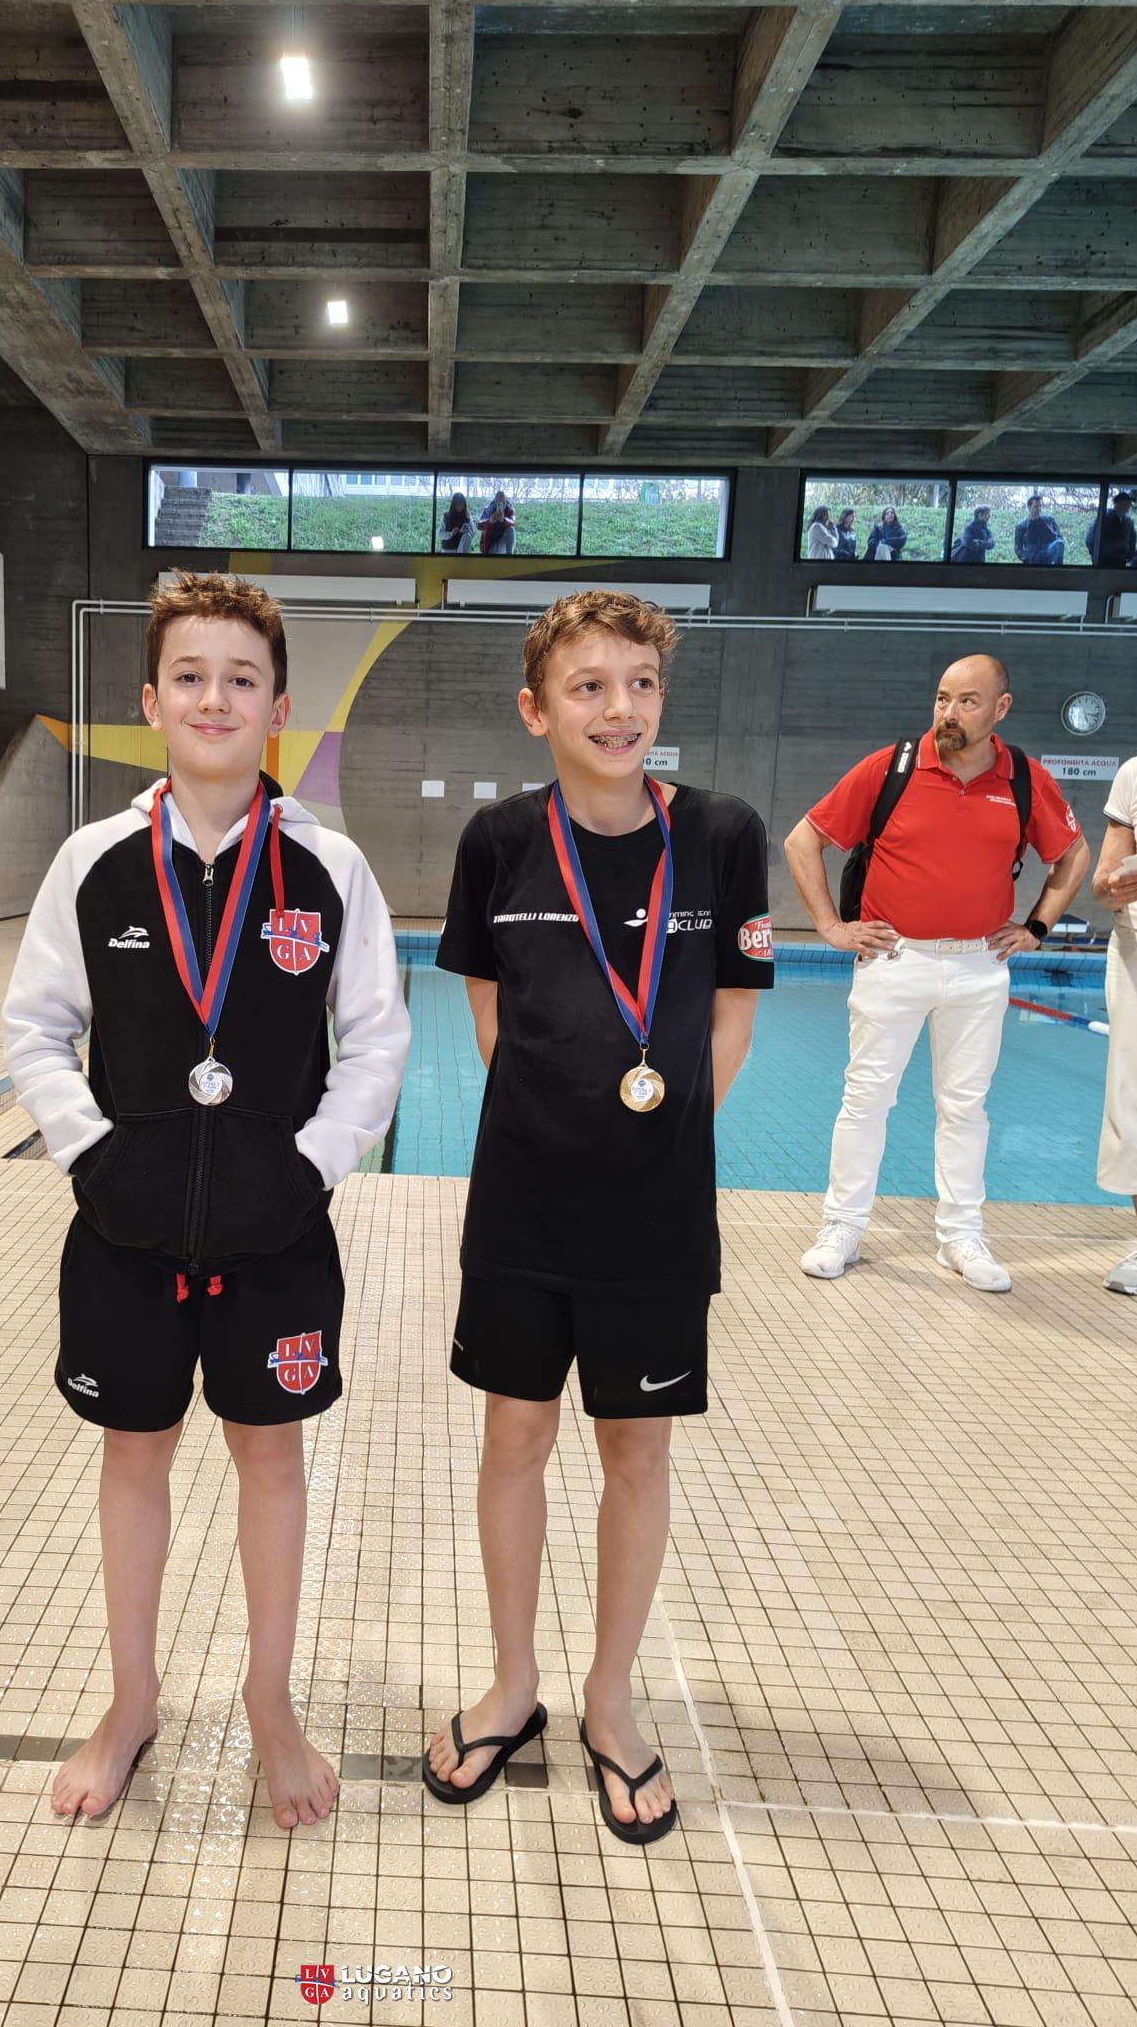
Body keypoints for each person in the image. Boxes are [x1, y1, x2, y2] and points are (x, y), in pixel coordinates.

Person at [2, 570, 410, 1829]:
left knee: (270, 1455)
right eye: (190, 676)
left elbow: (377, 1042)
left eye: (242, 678)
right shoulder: (95, 862)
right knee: (135, 1453)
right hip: (124, 1233)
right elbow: (35, 1027)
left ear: (279, 707)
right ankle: (131, 1701)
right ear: (151, 700)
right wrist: (91, 1154)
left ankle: (268, 1702)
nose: (215, 698)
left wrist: (309, 1168)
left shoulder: (329, 866)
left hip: (275, 1234)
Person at [423, 589, 772, 1843]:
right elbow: (490, 1018)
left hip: (655, 1213)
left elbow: (732, 1011)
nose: (620, 709)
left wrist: (656, 1130)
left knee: (638, 1449)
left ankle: (610, 1698)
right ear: (537, 709)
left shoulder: (722, 835)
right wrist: (558, 1123)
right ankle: (511, 1683)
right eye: (589, 686)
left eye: (640, 683)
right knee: (514, 1440)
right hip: (524, 1203)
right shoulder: (497, 841)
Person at [784, 654, 1089, 1293]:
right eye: (943, 698)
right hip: (895, 960)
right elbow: (802, 839)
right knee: (866, 1099)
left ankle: (961, 1235)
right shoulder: (891, 767)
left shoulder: (1024, 779)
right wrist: (831, 928)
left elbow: (1072, 854)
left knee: (966, 1107)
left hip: (980, 965)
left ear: (1001, 708)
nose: (949, 713)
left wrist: (1037, 926)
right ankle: (842, 1227)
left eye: (967, 702)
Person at [1090, 756, 1137, 1292]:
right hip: (1135, 955)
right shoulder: (1135, 774)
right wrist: (1112, 886)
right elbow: (1103, 886)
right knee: (1133, 1101)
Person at [1087, 490, 1137, 568]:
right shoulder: (1104, 519)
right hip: (1105, 562)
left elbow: (1132, 539)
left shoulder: (1128, 522)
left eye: (1129, 504)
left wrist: (1130, 554)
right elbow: (1091, 539)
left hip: (1121, 561)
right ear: (1117, 504)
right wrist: (1096, 556)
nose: (1128, 507)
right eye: (1125, 504)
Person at [1014, 493, 1064, 565]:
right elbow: (1018, 550)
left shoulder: (1049, 520)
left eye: (1040, 506)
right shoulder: (1021, 526)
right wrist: (1031, 557)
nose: (1039, 509)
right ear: (1029, 507)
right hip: (1033, 557)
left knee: (1059, 543)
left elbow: (1059, 537)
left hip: (1048, 552)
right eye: (1036, 507)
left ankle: (1057, 569)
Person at [479, 488, 517, 555]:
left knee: (511, 529)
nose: (500, 501)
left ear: (505, 500)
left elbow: (513, 522)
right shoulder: (488, 509)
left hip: (503, 541)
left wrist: (504, 520)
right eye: (498, 498)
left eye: (502, 498)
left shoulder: (509, 510)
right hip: (490, 543)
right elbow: (479, 525)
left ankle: (510, 558)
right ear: (494, 500)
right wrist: (490, 521)